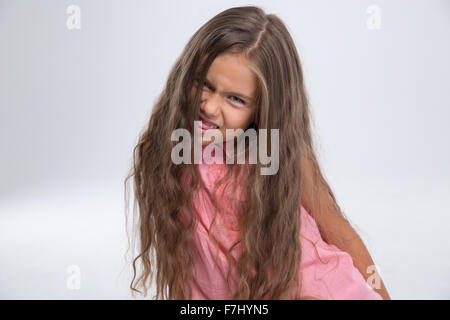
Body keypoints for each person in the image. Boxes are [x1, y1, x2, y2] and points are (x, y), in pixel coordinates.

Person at [124, 5, 390, 300]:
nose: (210, 107)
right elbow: (180, 262)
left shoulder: (274, 158)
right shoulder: (161, 153)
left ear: (261, 109)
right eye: (203, 84)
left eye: (235, 99)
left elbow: (340, 232)